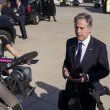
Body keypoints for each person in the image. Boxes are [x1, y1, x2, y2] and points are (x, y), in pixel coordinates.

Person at [59, 13, 109, 110]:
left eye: (81, 28)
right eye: (76, 27)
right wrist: (64, 69)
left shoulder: (99, 46)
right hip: (71, 89)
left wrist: (88, 77)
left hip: (88, 92)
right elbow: (67, 60)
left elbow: (105, 70)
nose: (78, 31)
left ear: (89, 28)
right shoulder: (70, 42)